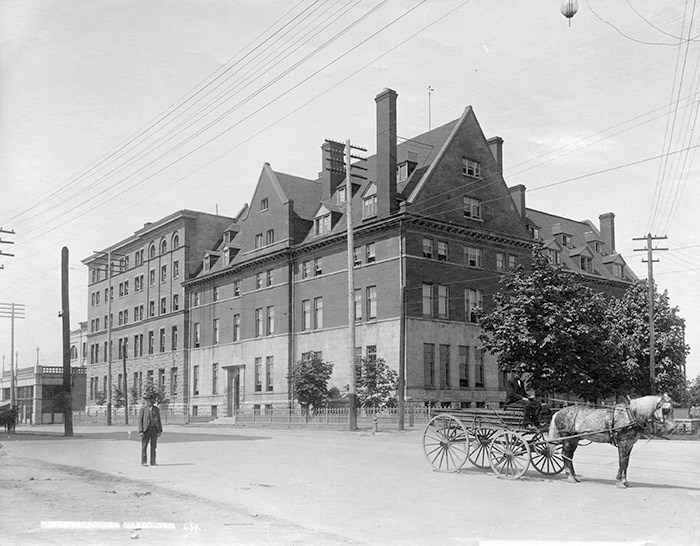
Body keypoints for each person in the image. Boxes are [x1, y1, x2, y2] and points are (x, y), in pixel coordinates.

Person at [137, 397, 163, 466]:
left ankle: (153, 461)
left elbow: (159, 420)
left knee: (153, 446)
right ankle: (144, 461)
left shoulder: (156, 409)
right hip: (146, 430)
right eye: (148, 400)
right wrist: (140, 431)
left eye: (152, 400)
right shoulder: (143, 409)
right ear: (146, 401)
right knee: (144, 446)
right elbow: (140, 420)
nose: (150, 401)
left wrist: (160, 430)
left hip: (154, 429)